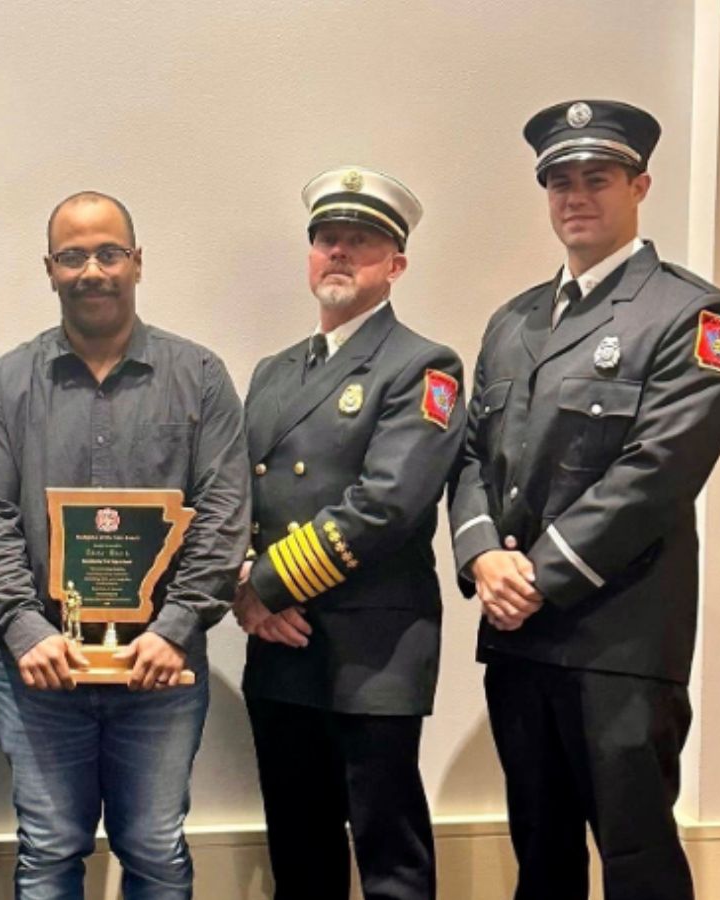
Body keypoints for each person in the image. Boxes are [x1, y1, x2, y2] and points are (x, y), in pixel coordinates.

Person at [449, 100, 720, 900]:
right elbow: (473, 453)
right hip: (519, 639)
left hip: (622, 638)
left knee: (637, 860)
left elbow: (656, 473)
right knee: (540, 858)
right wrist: (481, 557)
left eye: (597, 178)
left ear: (640, 184)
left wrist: (534, 576)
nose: (576, 196)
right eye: (559, 182)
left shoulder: (690, 313)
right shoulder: (512, 322)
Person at [0, 190, 249, 898]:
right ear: (49, 269)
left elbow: (223, 512)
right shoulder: (4, 385)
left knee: (153, 848)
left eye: (109, 252)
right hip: (39, 673)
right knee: (49, 851)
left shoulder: (200, 378)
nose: (93, 270)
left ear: (138, 263)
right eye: (73, 255)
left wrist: (176, 628)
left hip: (159, 669)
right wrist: (25, 631)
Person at [235, 166, 464, 900]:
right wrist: (244, 591)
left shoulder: (424, 366)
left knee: (388, 854)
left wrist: (262, 588)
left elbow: (386, 505)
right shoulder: (274, 373)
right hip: (281, 650)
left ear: (395, 264)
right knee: (298, 851)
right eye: (327, 240)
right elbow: (238, 497)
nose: (339, 254)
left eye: (360, 243)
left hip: (374, 654)